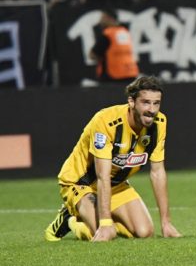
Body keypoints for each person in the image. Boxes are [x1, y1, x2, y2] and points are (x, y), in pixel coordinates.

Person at [44, 75, 182, 242]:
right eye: (146, 102)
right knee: (102, 233)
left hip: (115, 184)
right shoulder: (106, 121)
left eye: (156, 103)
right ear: (131, 102)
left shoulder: (159, 123)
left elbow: (158, 172)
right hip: (81, 183)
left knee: (145, 232)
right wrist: (105, 223)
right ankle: (70, 220)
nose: (151, 110)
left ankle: (96, 218)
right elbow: (102, 175)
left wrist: (166, 223)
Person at [89, 8, 140, 83]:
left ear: (109, 18)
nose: (100, 21)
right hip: (130, 73)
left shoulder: (108, 34)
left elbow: (93, 55)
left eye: (102, 18)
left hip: (113, 76)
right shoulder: (125, 32)